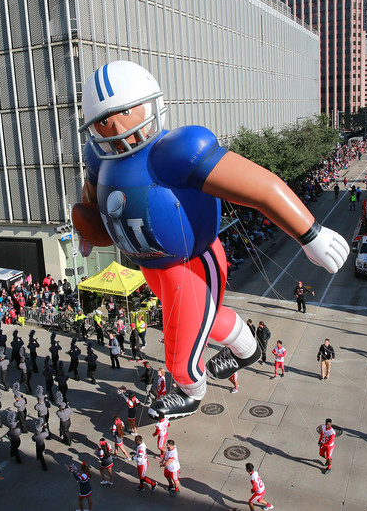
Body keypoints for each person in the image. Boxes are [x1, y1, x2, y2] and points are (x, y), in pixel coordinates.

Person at [73, 61, 349, 419]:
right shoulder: (99, 157)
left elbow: (260, 186)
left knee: (178, 348)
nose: (116, 127)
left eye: (123, 112)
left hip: (191, 264)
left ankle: (191, 389)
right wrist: (90, 232)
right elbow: (92, 201)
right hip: (150, 265)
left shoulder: (173, 151)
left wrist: (309, 232)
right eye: (104, 119)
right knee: (205, 318)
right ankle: (246, 348)